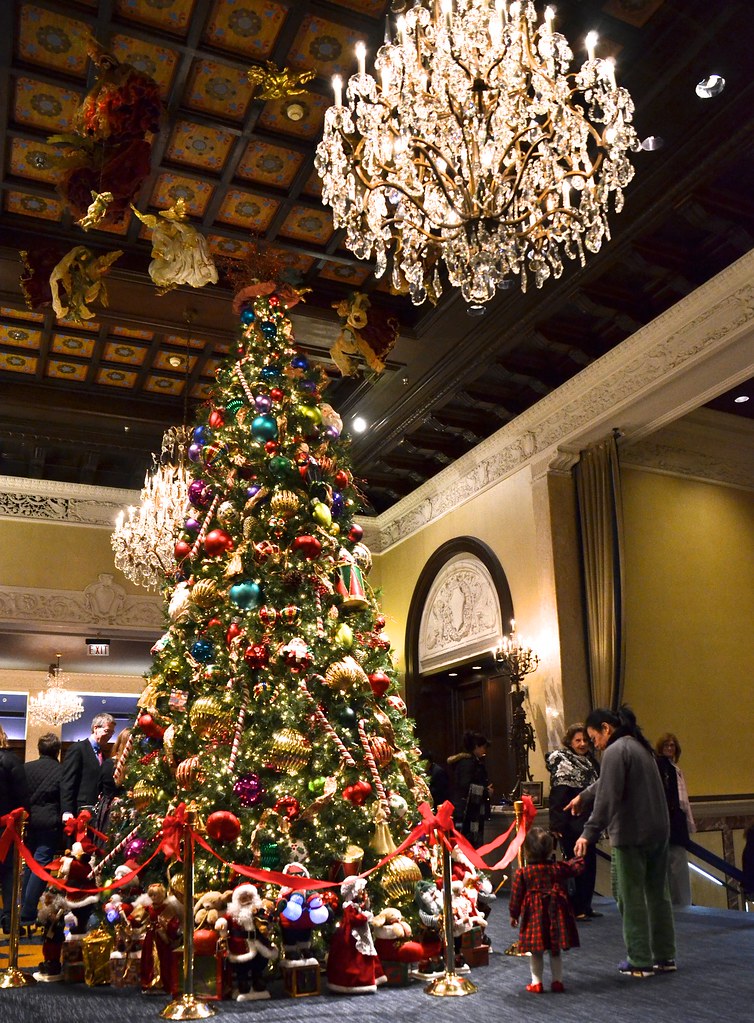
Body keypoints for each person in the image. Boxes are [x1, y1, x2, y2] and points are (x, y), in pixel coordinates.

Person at [571, 705, 676, 978]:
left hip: (631, 834)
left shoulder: (616, 751)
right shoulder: (640, 747)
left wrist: (588, 833)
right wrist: (584, 796)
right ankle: (665, 956)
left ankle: (639, 959)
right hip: (658, 831)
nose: (595, 745)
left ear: (606, 729)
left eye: (594, 738)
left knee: (628, 897)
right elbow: (606, 784)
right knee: (657, 895)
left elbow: (608, 796)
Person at [509, 825, 584, 993]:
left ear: (526, 850)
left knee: (536, 951)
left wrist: (513, 914)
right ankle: (557, 981)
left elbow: (516, 895)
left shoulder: (523, 873)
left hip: (534, 916)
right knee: (554, 950)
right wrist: (579, 856)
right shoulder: (556, 868)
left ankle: (537, 982)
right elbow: (575, 868)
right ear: (551, 849)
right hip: (555, 913)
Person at [546, 723, 601, 920]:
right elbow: (558, 796)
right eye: (578, 740)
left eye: (585, 740)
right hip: (571, 824)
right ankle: (575, 907)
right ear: (569, 741)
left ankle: (585, 905)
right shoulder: (563, 762)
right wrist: (557, 825)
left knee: (590, 865)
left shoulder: (592, 762)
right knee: (575, 866)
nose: (582, 743)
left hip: (590, 822)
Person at [21, 731, 63, 925]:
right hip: (49, 822)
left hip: (29, 821)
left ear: (39, 749)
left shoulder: (26, 769)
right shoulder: (61, 771)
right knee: (40, 866)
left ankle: (23, 906)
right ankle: (28, 911)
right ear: (57, 751)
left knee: (30, 865)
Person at [655, 732, 695, 907]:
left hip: (677, 819)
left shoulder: (676, 770)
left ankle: (681, 901)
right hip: (667, 819)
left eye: (672, 746)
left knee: (678, 863)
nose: (670, 749)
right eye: (666, 746)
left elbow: (684, 801)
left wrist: (689, 823)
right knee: (671, 864)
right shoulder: (661, 769)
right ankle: (676, 902)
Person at [0, 724, 31, 930]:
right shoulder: (11, 760)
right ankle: (9, 919)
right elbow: (22, 798)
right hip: (6, 826)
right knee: (9, 873)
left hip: (6, 824)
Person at [61, 712, 115, 819]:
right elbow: (68, 781)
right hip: (80, 810)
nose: (109, 736)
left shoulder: (103, 755)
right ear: (96, 728)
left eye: (112, 733)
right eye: (107, 731)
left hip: (96, 811)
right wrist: (67, 810)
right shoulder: (78, 749)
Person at [448, 731, 493, 848]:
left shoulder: (471, 762)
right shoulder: (468, 763)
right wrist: (485, 791)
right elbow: (465, 785)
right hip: (467, 812)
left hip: (468, 810)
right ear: (476, 746)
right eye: (483, 747)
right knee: (468, 845)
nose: (485, 751)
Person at [94, 726, 131, 838]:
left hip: (109, 809)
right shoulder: (136, 766)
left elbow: (99, 787)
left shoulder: (108, 764)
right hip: (128, 810)